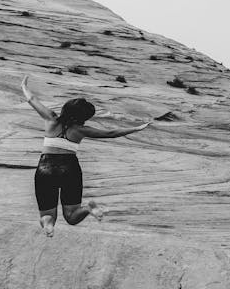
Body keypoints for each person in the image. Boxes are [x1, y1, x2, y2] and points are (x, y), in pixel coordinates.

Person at [21, 75, 151, 236]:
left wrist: (24, 86)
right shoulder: (81, 130)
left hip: (45, 168)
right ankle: (89, 208)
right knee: (72, 216)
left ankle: (48, 225)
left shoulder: (51, 119)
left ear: (66, 108)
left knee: (47, 214)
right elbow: (111, 133)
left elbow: (32, 99)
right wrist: (136, 128)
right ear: (84, 117)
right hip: (70, 168)